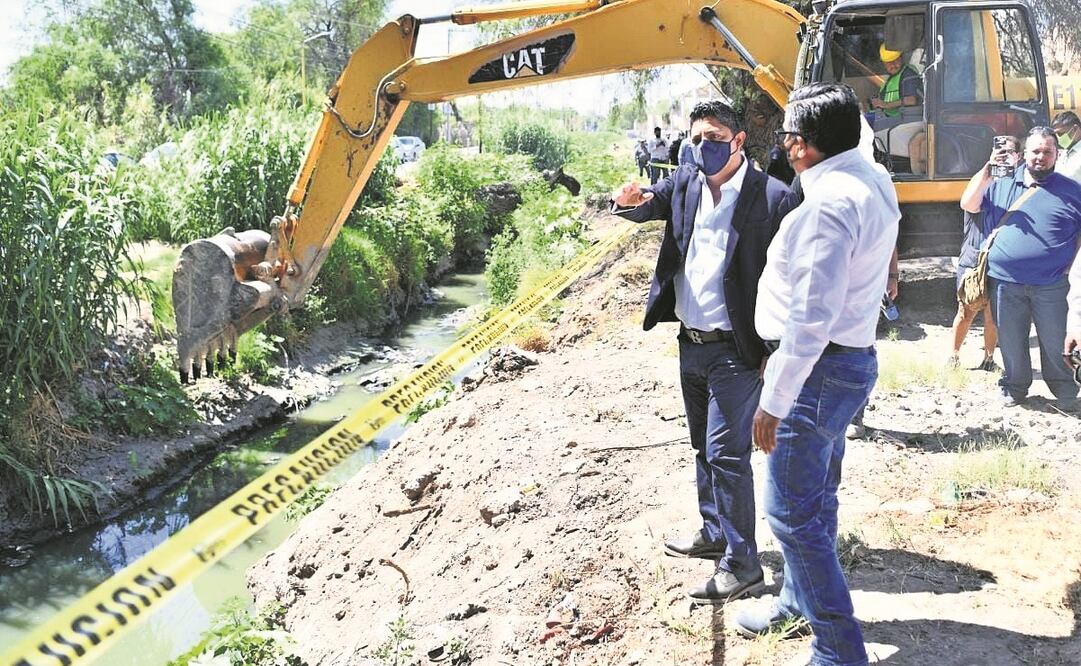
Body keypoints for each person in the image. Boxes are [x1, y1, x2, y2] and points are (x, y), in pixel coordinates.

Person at [737, 83, 900, 666]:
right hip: (843, 365)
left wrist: (774, 401)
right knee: (817, 499)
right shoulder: (870, 177)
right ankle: (795, 601)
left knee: (790, 515)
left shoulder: (828, 206)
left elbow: (810, 321)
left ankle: (838, 649)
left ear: (800, 147)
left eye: (786, 138)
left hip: (815, 372)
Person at [610, 100, 798, 605]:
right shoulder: (689, 181)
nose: (701, 147)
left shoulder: (773, 197)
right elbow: (649, 202)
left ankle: (743, 565)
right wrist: (628, 199)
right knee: (702, 447)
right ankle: (715, 532)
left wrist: (774, 349)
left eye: (713, 137)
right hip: (690, 342)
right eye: (695, 138)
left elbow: (790, 277)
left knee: (726, 454)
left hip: (738, 350)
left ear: (738, 141)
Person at [960, 127, 1081, 410]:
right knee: (1011, 339)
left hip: (1052, 284)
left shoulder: (1073, 191)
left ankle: (1065, 391)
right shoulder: (1001, 182)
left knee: (1054, 341)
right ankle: (1014, 387)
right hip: (1004, 282)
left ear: (1057, 155)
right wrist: (988, 169)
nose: (1040, 157)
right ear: (1024, 153)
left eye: (1047, 152)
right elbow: (969, 203)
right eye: (1035, 151)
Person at [949, 135, 1021, 371]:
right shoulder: (982, 179)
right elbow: (968, 203)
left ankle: (989, 360)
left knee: (994, 318)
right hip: (974, 260)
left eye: (1010, 152)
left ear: (1019, 156)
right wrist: (989, 167)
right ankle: (954, 356)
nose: (1004, 156)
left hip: (1002, 262)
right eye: (1000, 151)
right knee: (966, 311)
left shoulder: (1022, 185)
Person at [871, 43, 922, 119]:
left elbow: (911, 100)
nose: (893, 65)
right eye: (889, 62)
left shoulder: (908, 74)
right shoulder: (891, 78)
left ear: (901, 58)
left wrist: (886, 105)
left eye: (896, 60)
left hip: (903, 122)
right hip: (889, 120)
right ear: (883, 64)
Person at [1052, 111, 1081, 183]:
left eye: (1060, 134)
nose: (1058, 138)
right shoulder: (1065, 153)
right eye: (1055, 135)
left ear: (1074, 129)